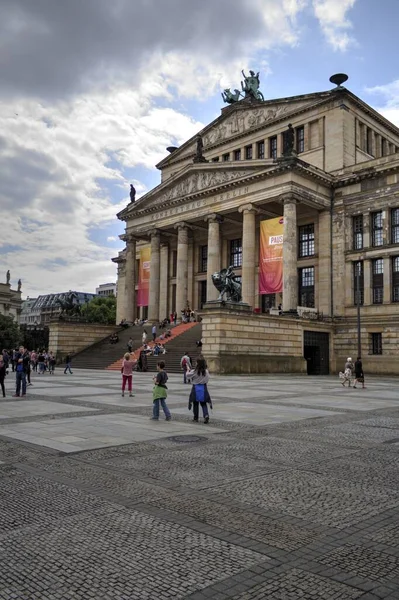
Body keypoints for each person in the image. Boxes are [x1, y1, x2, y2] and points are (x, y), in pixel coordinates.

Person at [187, 356, 212, 424]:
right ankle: (206, 415)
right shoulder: (206, 371)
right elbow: (207, 379)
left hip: (195, 388)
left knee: (195, 403)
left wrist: (188, 370)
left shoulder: (194, 371)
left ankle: (196, 418)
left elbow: (187, 375)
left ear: (197, 363)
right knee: (203, 403)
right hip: (203, 388)